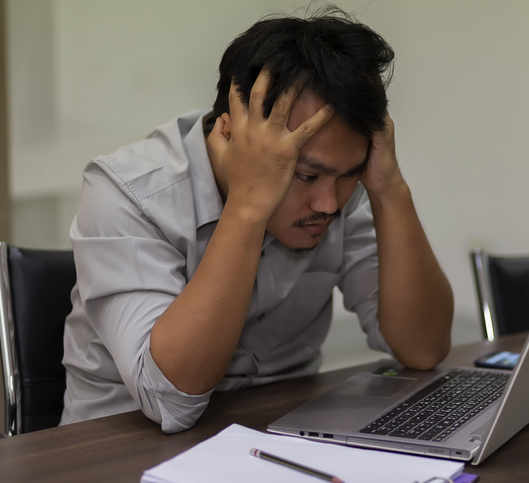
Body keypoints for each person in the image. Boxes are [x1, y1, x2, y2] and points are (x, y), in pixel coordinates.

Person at [60, 7, 454, 434]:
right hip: (114, 451)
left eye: (348, 174)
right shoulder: (126, 193)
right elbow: (171, 401)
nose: (327, 203)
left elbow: (423, 349)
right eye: (305, 175)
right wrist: (249, 207)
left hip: (280, 435)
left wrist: (389, 191)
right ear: (228, 135)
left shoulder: (342, 191)